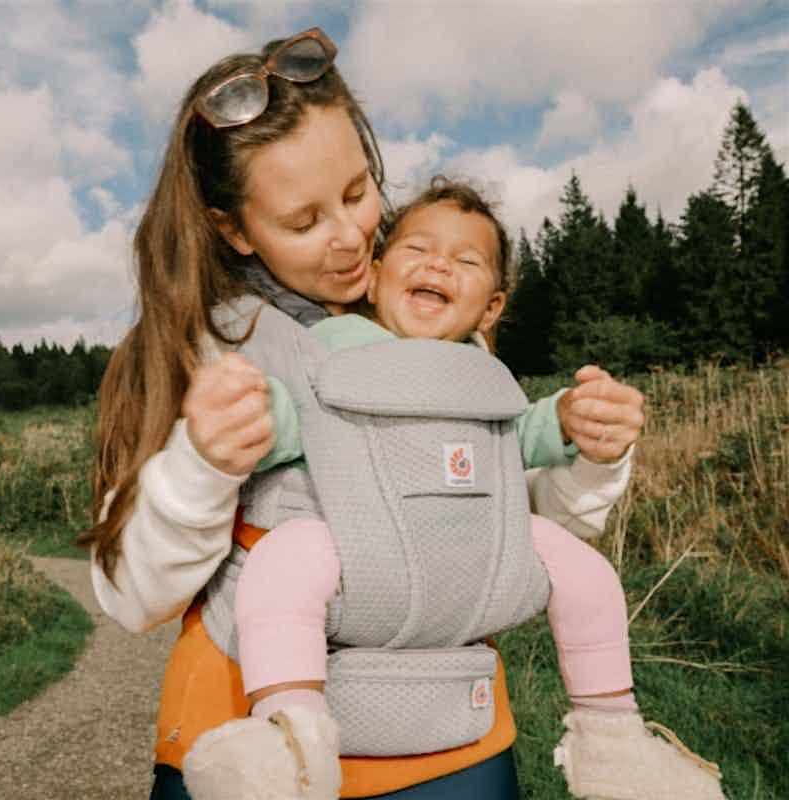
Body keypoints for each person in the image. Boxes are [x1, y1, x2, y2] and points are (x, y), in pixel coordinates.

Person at [83, 28, 647, 800]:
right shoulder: (198, 348)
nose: (351, 238)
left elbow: (512, 529)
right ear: (232, 227)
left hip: (453, 740)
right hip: (250, 751)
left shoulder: (436, 319)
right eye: (303, 221)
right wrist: (202, 466)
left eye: (357, 193)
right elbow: (132, 597)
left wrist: (592, 455)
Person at [181, 179, 725, 800]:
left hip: (467, 564)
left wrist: (572, 420)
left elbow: (520, 436)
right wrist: (245, 415)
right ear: (374, 277)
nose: (438, 264)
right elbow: (291, 412)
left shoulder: (485, 379)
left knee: (585, 571)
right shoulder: (327, 352)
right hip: (356, 553)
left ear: (490, 308)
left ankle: (612, 736)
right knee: (285, 557)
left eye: (465, 260)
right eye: (417, 250)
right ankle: (289, 736)